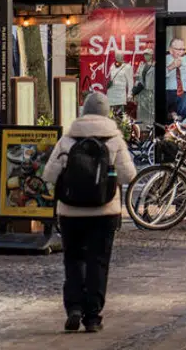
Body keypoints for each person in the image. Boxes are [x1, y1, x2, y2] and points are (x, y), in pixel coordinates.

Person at [41, 92, 137, 333]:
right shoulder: (114, 139)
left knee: (73, 260)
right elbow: (129, 176)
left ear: (83, 112)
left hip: (70, 212)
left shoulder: (67, 140)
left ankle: (74, 307)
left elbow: (49, 175)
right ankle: (92, 316)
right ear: (106, 113)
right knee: (98, 261)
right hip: (104, 211)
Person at [131, 50, 157, 131]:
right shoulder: (141, 65)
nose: (146, 56)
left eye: (148, 55)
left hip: (151, 92)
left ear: (152, 55)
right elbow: (138, 79)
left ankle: (150, 130)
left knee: (151, 113)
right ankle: (141, 130)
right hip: (142, 92)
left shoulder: (155, 65)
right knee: (141, 113)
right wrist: (135, 93)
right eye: (145, 54)